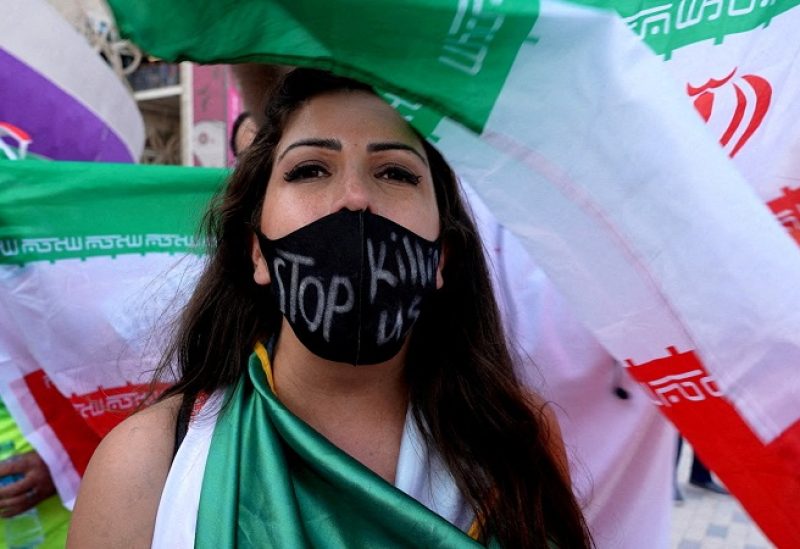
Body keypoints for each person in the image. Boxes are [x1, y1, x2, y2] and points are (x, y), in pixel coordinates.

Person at [67, 68, 592, 548]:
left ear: (442, 258)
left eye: (395, 173)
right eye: (311, 169)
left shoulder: (516, 442)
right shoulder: (147, 464)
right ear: (257, 251)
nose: (355, 197)